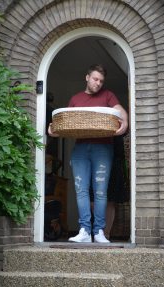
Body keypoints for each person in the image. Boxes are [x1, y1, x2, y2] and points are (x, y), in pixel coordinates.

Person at [48, 64, 128, 243]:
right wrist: (53, 130)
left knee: (100, 192)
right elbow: (65, 124)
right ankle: (84, 230)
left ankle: (98, 231)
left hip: (103, 148)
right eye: (95, 79)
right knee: (81, 190)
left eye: (101, 80)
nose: (98, 83)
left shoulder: (108, 95)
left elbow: (120, 110)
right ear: (87, 77)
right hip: (81, 149)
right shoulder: (75, 99)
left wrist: (125, 121)